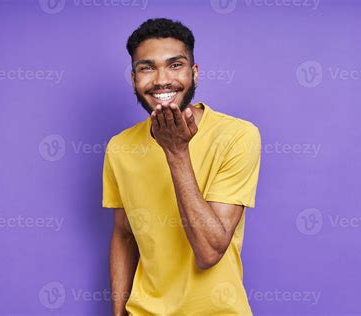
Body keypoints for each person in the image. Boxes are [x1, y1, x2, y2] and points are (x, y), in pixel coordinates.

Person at [102, 17, 261, 315]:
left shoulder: (238, 136)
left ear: (195, 73)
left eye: (175, 65)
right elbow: (123, 234)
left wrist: (176, 152)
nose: (161, 79)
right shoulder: (120, 147)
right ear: (134, 78)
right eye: (147, 67)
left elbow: (209, 251)